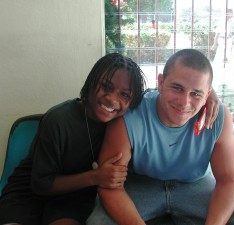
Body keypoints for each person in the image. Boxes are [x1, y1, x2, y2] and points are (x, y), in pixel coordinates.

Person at [0, 53, 219, 225]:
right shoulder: (58, 119)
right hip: (31, 191)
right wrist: (95, 177)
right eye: (105, 87)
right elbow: (40, 184)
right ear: (91, 81)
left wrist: (208, 95)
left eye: (124, 95)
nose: (113, 99)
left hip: (74, 198)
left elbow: (168, 93)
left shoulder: (124, 118)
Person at [87, 49, 234, 225]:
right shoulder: (130, 116)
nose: (184, 102)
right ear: (161, 82)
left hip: (195, 185)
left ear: (207, 95)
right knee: (98, 222)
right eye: (177, 88)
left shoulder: (217, 118)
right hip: (142, 184)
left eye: (196, 94)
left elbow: (228, 179)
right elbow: (110, 185)